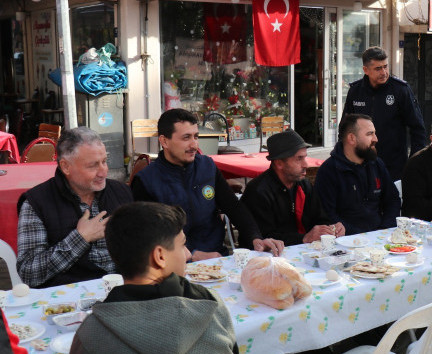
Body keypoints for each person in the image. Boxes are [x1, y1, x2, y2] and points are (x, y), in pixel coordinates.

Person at [71, 202, 238, 353]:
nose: (187, 254)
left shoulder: (91, 333)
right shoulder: (210, 305)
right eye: (182, 245)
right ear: (160, 256)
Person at [132, 109, 283, 259]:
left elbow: (233, 206)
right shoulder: (146, 181)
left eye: (196, 137)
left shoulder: (207, 166)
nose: (194, 145)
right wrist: (191, 255)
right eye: (186, 138)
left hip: (217, 256)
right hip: (172, 264)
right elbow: (146, 235)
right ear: (164, 141)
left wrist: (255, 237)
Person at [16, 127, 133, 287]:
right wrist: (81, 238)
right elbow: (29, 273)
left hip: (122, 293)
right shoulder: (37, 203)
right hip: (65, 301)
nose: (103, 172)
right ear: (66, 167)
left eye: (105, 161)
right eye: (92, 166)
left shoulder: (121, 192)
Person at [240, 130, 344, 246]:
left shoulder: (303, 185)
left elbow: (320, 218)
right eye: (299, 158)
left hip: (304, 252)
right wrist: (304, 238)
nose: (305, 164)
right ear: (279, 163)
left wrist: (331, 228)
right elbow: (263, 237)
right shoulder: (258, 192)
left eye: (305, 157)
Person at [343, 46, 427, 180]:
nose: (384, 72)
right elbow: (345, 128)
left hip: (394, 167)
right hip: (361, 165)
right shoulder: (355, 91)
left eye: (385, 66)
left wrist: (414, 163)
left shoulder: (401, 90)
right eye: (378, 68)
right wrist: (345, 157)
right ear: (366, 70)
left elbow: (418, 129)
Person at [314, 114, 401, 235]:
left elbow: (392, 200)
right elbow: (327, 215)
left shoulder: (376, 164)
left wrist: (384, 229)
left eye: (374, 133)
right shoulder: (329, 171)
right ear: (352, 138)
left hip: (380, 237)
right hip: (346, 242)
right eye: (369, 134)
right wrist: (359, 235)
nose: (376, 139)